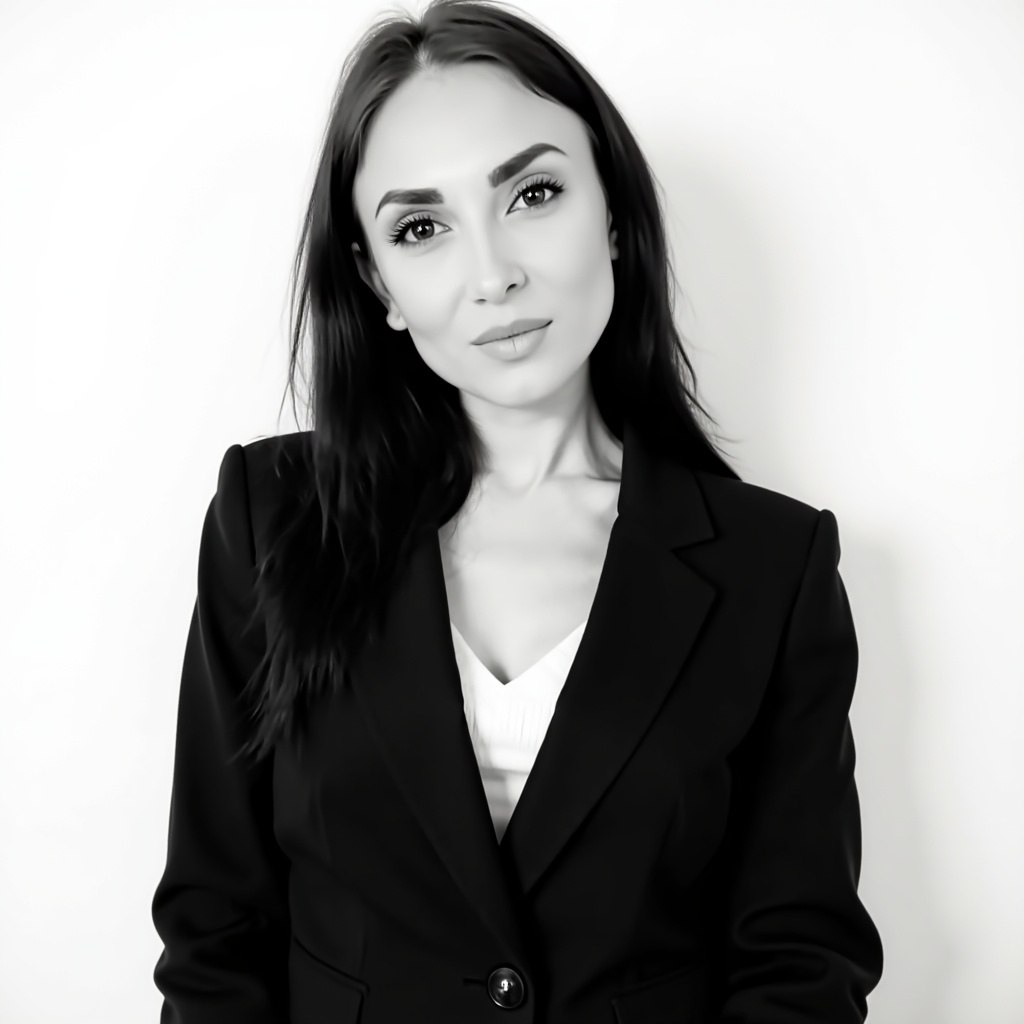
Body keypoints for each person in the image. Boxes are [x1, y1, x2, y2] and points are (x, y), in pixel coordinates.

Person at [151, 1, 883, 1020]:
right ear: (378, 283)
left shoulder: (773, 566)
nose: (493, 275)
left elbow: (798, 965)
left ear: (613, 213)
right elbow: (216, 935)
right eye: (421, 229)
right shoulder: (269, 521)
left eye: (533, 194)